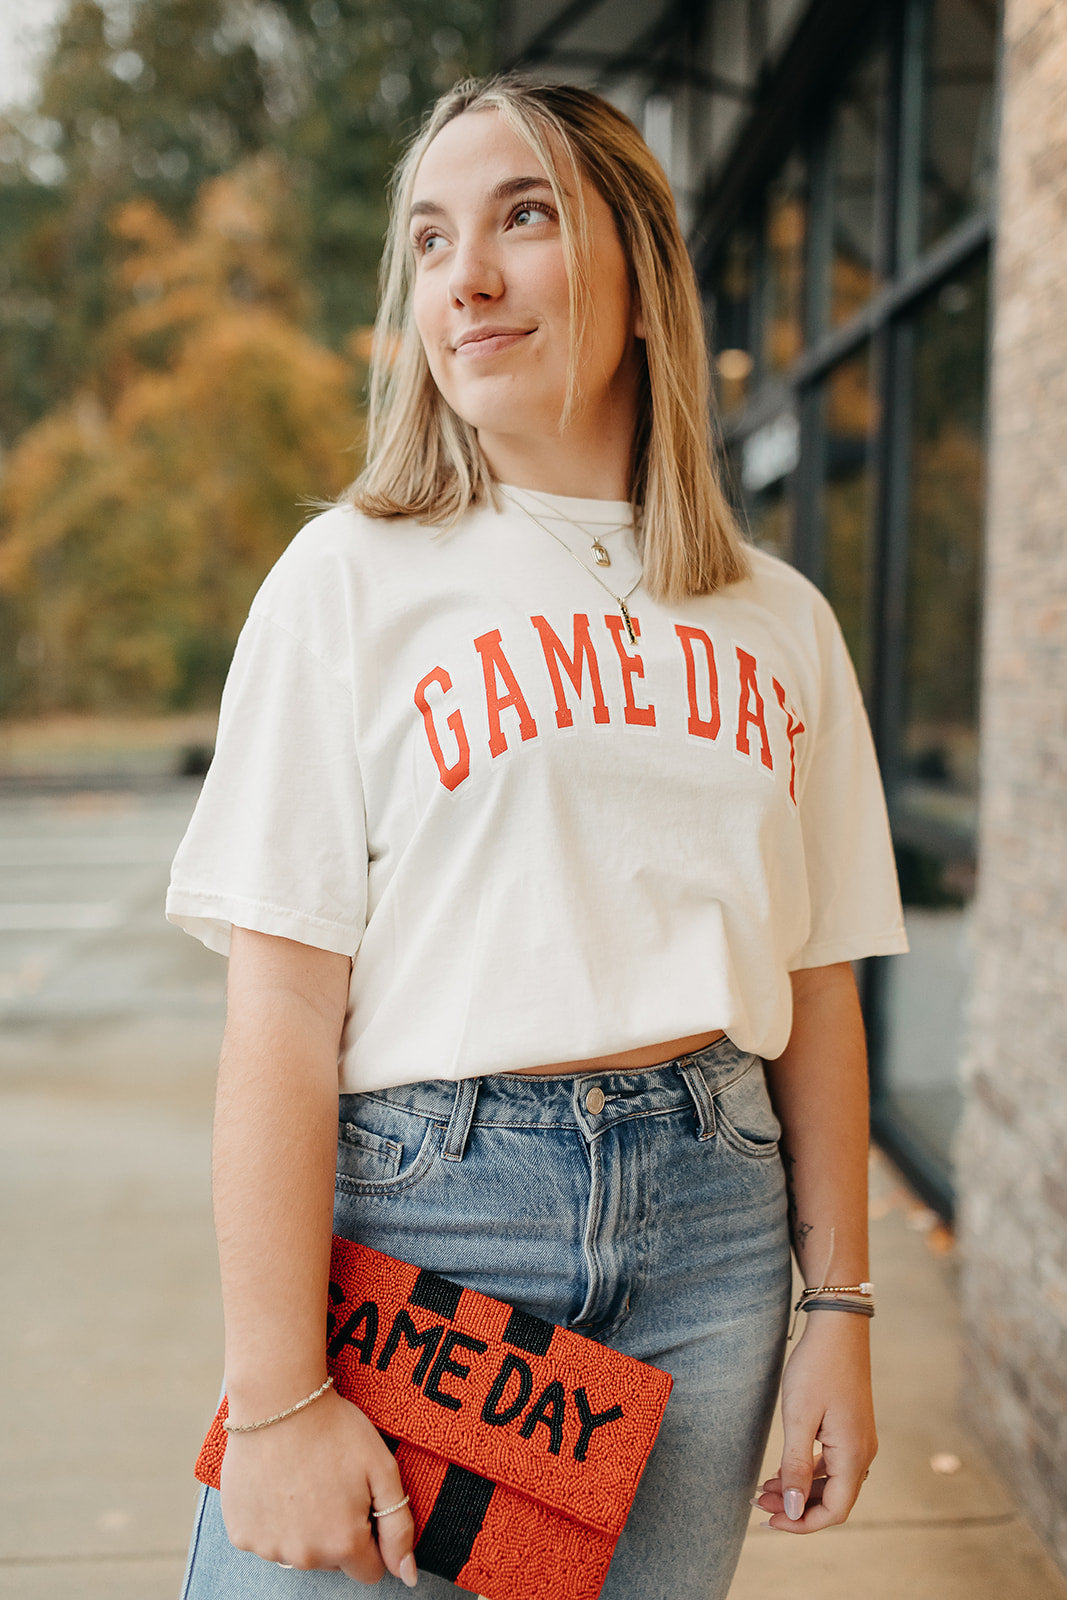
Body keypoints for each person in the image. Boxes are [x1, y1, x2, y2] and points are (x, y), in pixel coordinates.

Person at [168, 74, 907, 1600]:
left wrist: (840, 1309)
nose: (469, 278)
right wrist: (283, 1396)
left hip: (712, 1242)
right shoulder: (350, 581)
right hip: (430, 1227)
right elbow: (283, 1014)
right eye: (431, 241)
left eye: (525, 218)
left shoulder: (782, 623)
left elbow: (819, 993)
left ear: (640, 271)